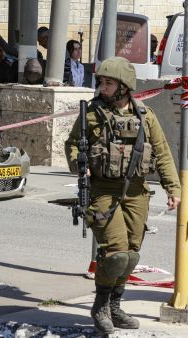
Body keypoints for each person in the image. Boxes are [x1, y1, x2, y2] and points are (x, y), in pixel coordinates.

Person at [64, 56, 180, 335]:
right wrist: (80, 164)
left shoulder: (145, 115)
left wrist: (173, 187)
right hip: (103, 191)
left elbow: (162, 153)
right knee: (115, 254)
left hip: (137, 192)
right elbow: (72, 146)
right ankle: (101, 306)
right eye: (101, 82)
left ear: (124, 86)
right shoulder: (91, 114)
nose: (102, 87)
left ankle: (116, 305)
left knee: (131, 255)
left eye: (108, 82)